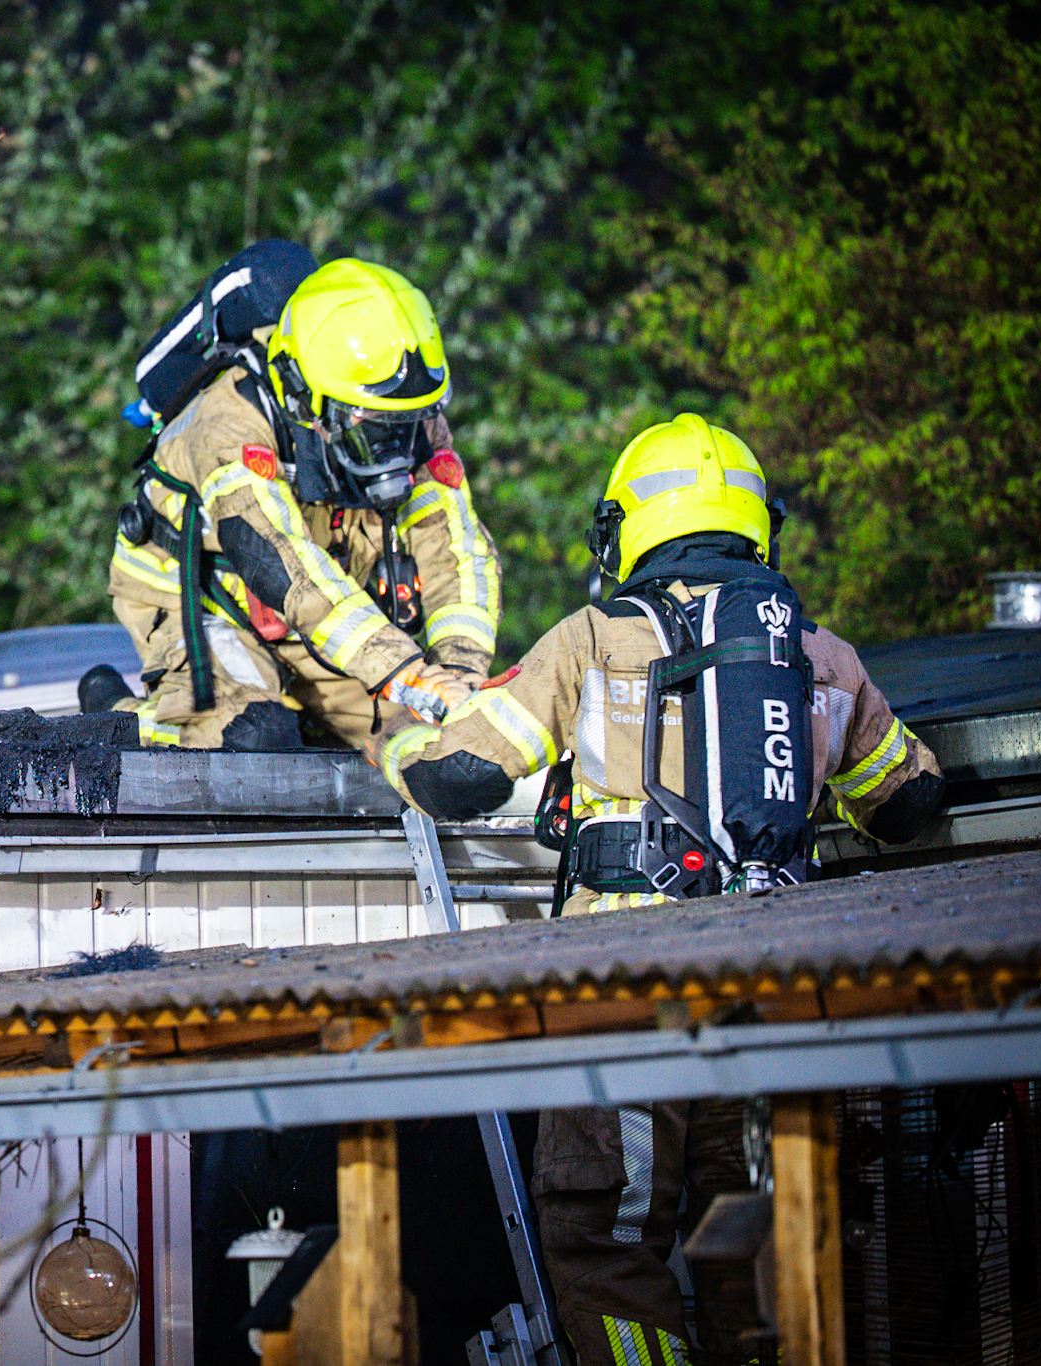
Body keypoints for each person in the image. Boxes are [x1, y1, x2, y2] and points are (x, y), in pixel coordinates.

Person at [374, 412, 944, 1365]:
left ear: (631, 528)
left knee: (607, 1238)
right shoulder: (823, 658)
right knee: (755, 1241)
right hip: (775, 1000)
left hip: (624, 997)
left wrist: (401, 747)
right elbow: (910, 802)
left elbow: (460, 778)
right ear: (757, 524)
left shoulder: (594, 639)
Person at [89, 258, 501, 749]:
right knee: (252, 740)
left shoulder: (408, 416)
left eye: (405, 423)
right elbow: (281, 564)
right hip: (206, 598)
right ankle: (117, 717)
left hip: (320, 604)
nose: (394, 448)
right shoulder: (229, 422)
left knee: (430, 745)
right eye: (370, 426)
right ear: (308, 396)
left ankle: (308, 716)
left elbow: (457, 549)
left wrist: (458, 673)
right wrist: (405, 667)